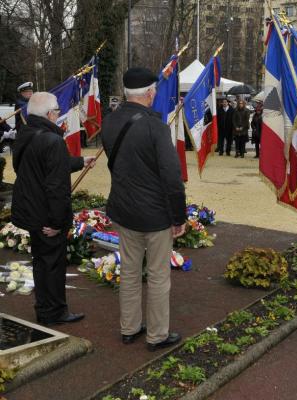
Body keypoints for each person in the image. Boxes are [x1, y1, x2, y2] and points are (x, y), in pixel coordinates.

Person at [101, 67, 187, 351]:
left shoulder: (109, 122)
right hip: (155, 215)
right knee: (159, 275)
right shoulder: (155, 127)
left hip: (123, 210)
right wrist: (179, 217)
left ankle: (129, 328)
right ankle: (157, 335)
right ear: (150, 93)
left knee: (129, 271)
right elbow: (172, 178)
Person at [11, 92, 95, 325]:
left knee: (41, 262)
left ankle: (44, 308)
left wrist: (80, 161)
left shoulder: (26, 135)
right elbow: (57, 187)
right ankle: (54, 312)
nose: (59, 113)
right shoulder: (53, 140)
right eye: (57, 110)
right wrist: (57, 223)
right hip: (47, 215)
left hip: (30, 211)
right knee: (53, 264)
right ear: (49, 114)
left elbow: (40, 165)